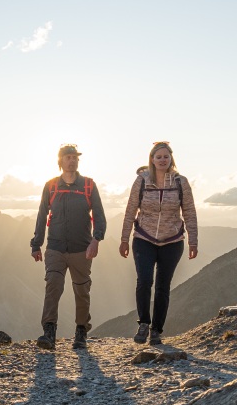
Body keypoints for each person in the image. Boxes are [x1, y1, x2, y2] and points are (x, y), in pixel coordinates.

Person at [117, 141, 197, 346]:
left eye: (166, 156)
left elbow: (189, 212)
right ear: (151, 159)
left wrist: (193, 242)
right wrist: (124, 239)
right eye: (158, 156)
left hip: (172, 240)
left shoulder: (181, 182)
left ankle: (156, 330)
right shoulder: (142, 181)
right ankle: (143, 323)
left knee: (163, 286)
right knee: (144, 281)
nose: (162, 160)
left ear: (171, 159)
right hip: (144, 238)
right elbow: (130, 210)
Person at [30, 143, 108, 350]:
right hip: (55, 247)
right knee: (53, 286)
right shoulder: (51, 186)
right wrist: (36, 244)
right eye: (68, 157)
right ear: (60, 161)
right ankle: (49, 332)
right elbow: (41, 215)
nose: (72, 160)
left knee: (82, 291)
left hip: (82, 248)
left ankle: (81, 332)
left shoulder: (88, 185)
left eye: (74, 157)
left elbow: (99, 216)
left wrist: (96, 240)